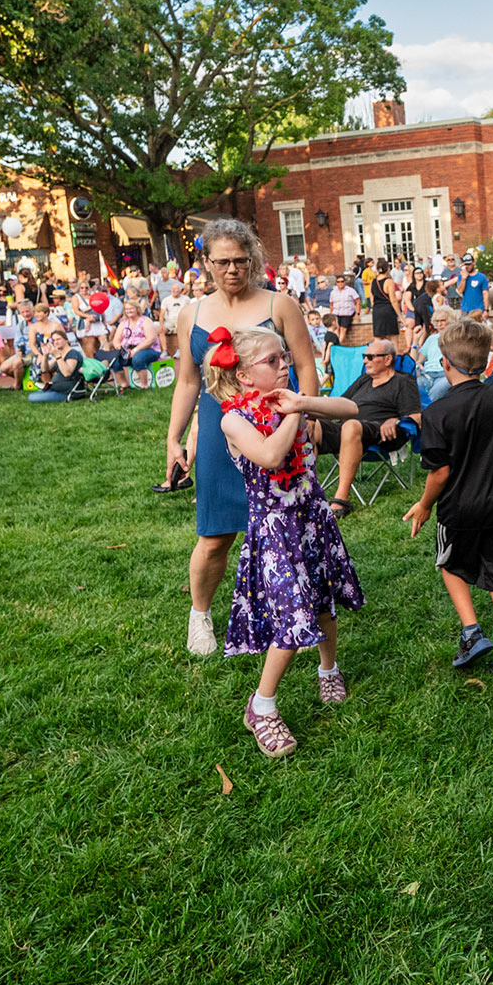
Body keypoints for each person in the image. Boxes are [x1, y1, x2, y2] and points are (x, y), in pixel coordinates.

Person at [201, 326, 365, 758]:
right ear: (243, 376)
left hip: (313, 518)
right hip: (276, 530)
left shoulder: (295, 401)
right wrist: (294, 414)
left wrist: (304, 402)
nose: (283, 366)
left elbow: (351, 409)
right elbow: (272, 455)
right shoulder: (233, 419)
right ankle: (262, 706)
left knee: (324, 601)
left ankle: (328, 668)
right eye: (271, 361)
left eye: (284, 358)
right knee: (293, 622)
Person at [169, 220, 321, 658]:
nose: (233, 269)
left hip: (276, 425)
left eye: (240, 260)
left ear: (252, 258)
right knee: (216, 535)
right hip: (222, 432)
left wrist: (304, 411)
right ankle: (200, 616)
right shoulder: (191, 314)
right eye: (222, 262)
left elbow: (306, 367)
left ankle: (291, 611)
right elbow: (187, 381)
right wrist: (174, 437)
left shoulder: (280, 304)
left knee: (286, 527)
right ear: (206, 263)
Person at [403, 318, 493, 682]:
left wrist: (424, 505)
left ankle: (472, 632)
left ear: (445, 363)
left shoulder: (436, 413)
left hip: (458, 509)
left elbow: (440, 472)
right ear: (485, 364)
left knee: (449, 563)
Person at [309, 338, 422, 516]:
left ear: (387, 359)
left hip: (380, 433)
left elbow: (416, 416)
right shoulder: (364, 380)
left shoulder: (403, 382)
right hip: (346, 429)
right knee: (310, 424)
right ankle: (309, 492)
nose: (364, 361)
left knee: (352, 426)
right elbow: (341, 404)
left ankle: (341, 500)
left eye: (370, 357)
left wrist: (395, 420)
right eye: (364, 356)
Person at [110, 298, 162, 386]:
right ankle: (124, 384)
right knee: (115, 361)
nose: (129, 311)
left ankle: (144, 385)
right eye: (127, 309)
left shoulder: (145, 320)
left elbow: (151, 339)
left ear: (137, 309)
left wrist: (135, 350)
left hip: (149, 349)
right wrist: (122, 351)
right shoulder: (123, 323)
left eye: (131, 308)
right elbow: (116, 341)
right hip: (127, 350)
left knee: (138, 358)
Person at [456, 252, 490, 320]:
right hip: (466, 309)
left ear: (474, 263)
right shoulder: (461, 276)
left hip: (478, 310)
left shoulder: (481, 277)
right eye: (466, 264)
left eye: (469, 264)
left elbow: (485, 294)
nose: (467, 266)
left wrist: (486, 310)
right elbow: (460, 291)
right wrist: (463, 279)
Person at [328, 276, 360, 341]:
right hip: (336, 313)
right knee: (336, 329)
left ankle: (339, 345)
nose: (340, 283)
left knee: (343, 329)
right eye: (338, 282)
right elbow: (331, 305)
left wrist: (357, 313)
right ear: (336, 283)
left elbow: (358, 301)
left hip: (347, 313)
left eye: (342, 281)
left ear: (345, 282)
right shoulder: (333, 292)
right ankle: (335, 344)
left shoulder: (350, 290)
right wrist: (331, 314)